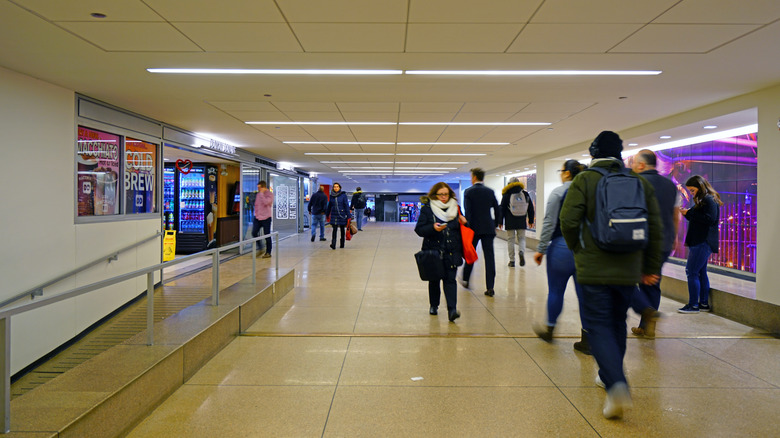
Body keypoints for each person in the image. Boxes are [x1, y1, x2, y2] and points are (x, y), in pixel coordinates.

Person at [559, 131, 663, 420]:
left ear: (593, 152)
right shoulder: (639, 182)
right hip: (628, 267)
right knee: (618, 322)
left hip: (593, 268)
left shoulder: (584, 179)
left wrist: (579, 250)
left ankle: (616, 384)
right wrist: (650, 266)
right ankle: (609, 376)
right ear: (620, 153)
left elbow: (568, 221)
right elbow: (654, 227)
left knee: (599, 325)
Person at [532, 160, 590, 355]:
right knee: (585, 296)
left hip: (561, 247)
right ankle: (587, 338)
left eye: (561, 170)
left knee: (556, 291)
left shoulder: (559, 193)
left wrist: (541, 249)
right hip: (584, 251)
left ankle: (549, 329)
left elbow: (549, 222)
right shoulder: (589, 191)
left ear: (567, 174)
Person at [629, 150, 680, 336]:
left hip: (639, 241)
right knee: (653, 282)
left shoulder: (636, 183)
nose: (632, 167)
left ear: (641, 165)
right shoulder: (670, 185)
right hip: (664, 242)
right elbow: (675, 215)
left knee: (624, 278)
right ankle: (647, 326)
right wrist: (674, 237)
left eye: (634, 163)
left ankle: (645, 312)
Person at [415, 182, 467, 322]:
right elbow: (419, 230)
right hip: (433, 250)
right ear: (435, 195)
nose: (444, 197)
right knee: (434, 280)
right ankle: (434, 305)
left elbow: (462, 228)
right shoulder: (428, 209)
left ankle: (452, 310)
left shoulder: (456, 208)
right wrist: (432, 228)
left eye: (446, 194)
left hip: (452, 250)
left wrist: (465, 222)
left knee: (450, 280)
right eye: (441, 194)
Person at [678, 175, 722, 313]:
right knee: (701, 272)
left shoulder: (709, 199)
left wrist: (690, 213)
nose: (691, 193)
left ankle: (693, 305)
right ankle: (703, 303)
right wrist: (688, 213)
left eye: (692, 190)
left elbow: (709, 219)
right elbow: (699, 216)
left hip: (703, 241)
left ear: (700, 187)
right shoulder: (705, 199)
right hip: (700, 240)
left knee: (691, 271)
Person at [461, 168, 501, 297]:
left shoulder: (468, 192)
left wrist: (468, 226)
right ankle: (490, 287)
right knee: (490, 257)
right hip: (488, 228)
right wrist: (495, 224)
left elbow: (468, 211)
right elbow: (497, 208)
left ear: (473, 177)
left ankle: (466, 279)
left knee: (470, 253)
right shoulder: (490, 191)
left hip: (474, 229)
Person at [499, 177, 535, 267]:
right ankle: (521, 252)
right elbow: (530, 208)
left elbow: (502, 209)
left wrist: (500, 221)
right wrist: (531, 220)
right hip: (521, 220)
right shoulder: (525, 194)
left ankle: (512, 261)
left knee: (510, 240)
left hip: (510, 221)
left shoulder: (506, 195)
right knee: (522, 238)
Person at [326, 182, 352, 250]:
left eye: (337, 187)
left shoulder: (343, 195)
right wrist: (327, 214)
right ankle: (333, 244)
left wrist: (348, 216)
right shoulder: (331, 195)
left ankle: (342, 244)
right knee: (334, 230)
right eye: (334, 187)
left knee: (342, 230)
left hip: (342, 215)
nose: (336, 188)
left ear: (340, 188)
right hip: (334, 215)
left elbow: (346, 205)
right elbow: (329, 205)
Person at [252, 180, 274, 258]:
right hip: (258, 217)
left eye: (259, 188)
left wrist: (261, 194)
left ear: (263, 187)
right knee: (254, 232)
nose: (258, 189)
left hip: (266, 218)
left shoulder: (269, 194)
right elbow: (257, 205)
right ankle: (260, 248)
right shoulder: (258, 195)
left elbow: (266, 202)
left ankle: (268, 252)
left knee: (267, 235)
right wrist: (256, 214)